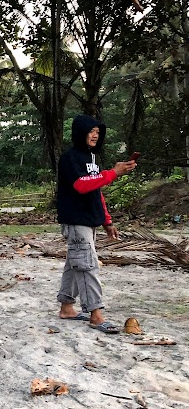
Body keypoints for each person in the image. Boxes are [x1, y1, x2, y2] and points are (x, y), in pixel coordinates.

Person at [55, 114, 136, 333]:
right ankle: (96, 314)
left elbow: (95, 190)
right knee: (87, 264)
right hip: (75, 219)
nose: (95, 135)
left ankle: (67, 307)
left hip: (89, 219)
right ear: (80, 132)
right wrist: (113, 173)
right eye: (91, 131)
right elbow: (81, 185)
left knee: (75, 262)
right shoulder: (70, 158)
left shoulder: (92, 159)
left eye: (98, 132)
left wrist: (106, 220)